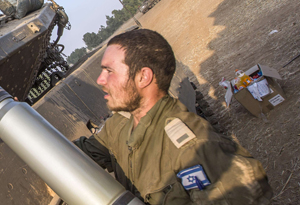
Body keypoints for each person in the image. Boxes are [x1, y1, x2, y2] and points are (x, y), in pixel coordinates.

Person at [73, 29, 272, 204]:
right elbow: (79, 155)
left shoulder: (194, 149)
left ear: (143, 77)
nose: (100, 80)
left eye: (109, 71)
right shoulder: (118, 125)